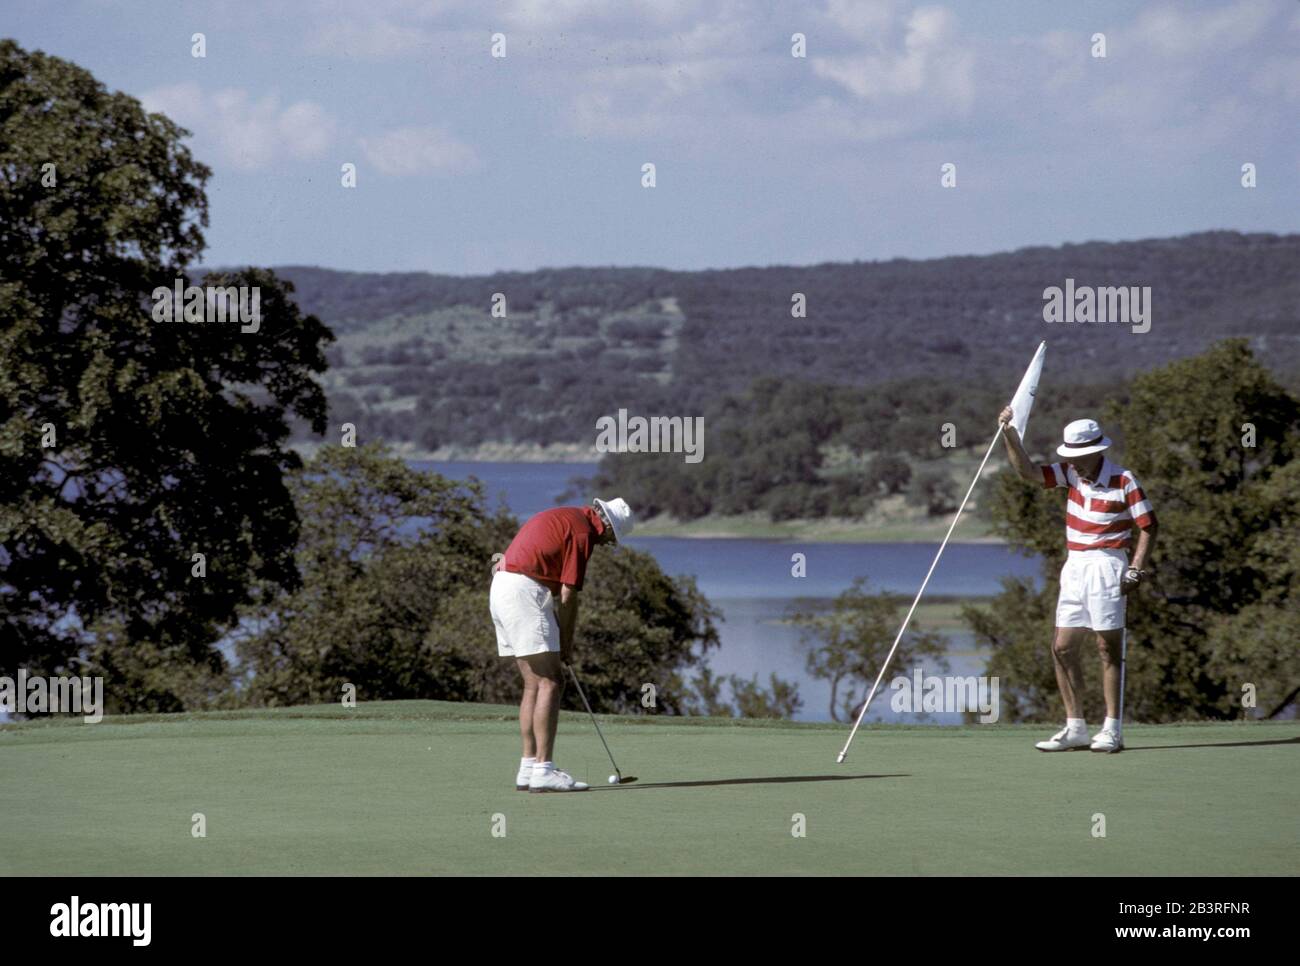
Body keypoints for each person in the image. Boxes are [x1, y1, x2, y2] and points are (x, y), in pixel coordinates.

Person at [998, 409, 1157, 753]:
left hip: (1108, 564)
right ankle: (1076, 728)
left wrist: (1136, 568)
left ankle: (1112, 729)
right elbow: (1027, 473)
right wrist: (1010, 435)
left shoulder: (1123, 480)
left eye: (1080, 456)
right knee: (1062, 647)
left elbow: (1148, 524)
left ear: (1097, 451)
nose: (1075, 462)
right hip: (1075, 565)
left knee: (1107, 648)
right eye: (1070, 456)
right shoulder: (1070, 475)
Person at [489, 497, 634, 791]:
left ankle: (528, 767)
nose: (607, 544)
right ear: (606, 525)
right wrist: (567, 643)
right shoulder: (583, 533)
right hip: (524, 591)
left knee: (534, 682)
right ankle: (544, 769)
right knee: (552, 682)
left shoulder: (564, 515)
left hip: (503, 588)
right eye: (611, 537)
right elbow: (568, 595)